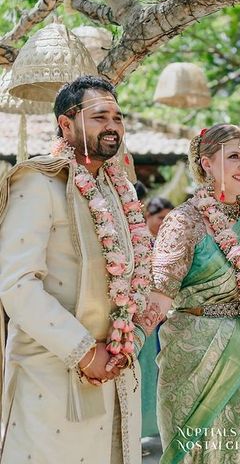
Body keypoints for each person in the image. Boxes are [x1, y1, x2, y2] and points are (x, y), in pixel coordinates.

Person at [0, 75, 153, 464]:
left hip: (115, 371)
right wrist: (84, 353)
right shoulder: (38, 181)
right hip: (51, 372)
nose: (113, 127)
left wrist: (128, 338)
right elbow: (16, 285)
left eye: (118, 118)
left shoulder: (119, 192)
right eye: (100, 116)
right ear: (66, 125)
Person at [134, 124, 240, 463]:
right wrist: (123, 346)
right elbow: (158, 300)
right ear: (206, 163)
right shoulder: (184, 223)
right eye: (233, 156)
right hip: (198, 367)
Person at [138, 198, 174, 443]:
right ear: (148, 217)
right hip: (143, 321)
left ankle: (158, 427)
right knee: (145, 374)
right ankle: (137, 430)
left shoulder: (172, 245)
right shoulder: (140, 243)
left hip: (165, 322)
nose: (164, 223)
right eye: (161, 218)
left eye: (168, 219)